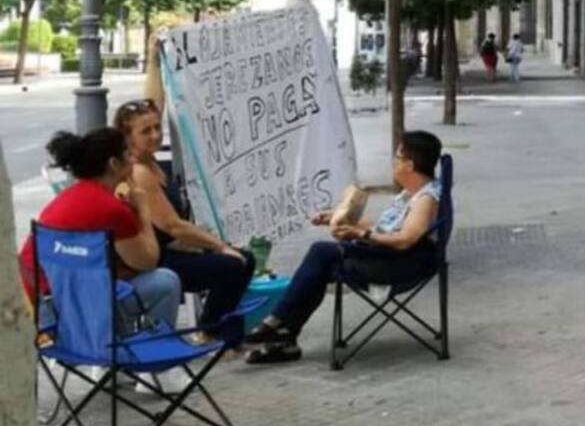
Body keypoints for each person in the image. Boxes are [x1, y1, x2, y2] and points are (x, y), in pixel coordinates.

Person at [243, 130, 444, 365]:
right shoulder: (409, 194)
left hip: (400, 264)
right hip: (387, 256)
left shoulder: (425, 199)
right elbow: (382, 227)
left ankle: (276, 323)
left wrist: (360, 234)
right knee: (320, 269)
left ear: (410, 165)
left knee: (321, 252)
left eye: (397, 157)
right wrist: (341, 218)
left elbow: (406, 239)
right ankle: (284, 338)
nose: (394, 162)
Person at [19, 128, 182, 337]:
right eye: (128, 155)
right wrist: (143, 210)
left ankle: (120, 356)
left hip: (40, 310)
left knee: (116, 285)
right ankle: (154, 350)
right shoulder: (111, 208)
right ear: (114, 164)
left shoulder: (67, 197)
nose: (133, 161)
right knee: (165, 281)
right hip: (75, 317)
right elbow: (148, 261)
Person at [116, 99, 255, 340]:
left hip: (170, 249)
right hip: (154, 261)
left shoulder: (152, 163)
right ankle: (211, 334)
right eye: (146, 131)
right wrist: (218, 246)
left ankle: (220, 334)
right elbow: (172, 225)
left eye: (157, 127)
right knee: (235, 263)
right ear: (127, 138)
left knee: (244, 258)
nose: (156, 135)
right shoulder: (139, 171)